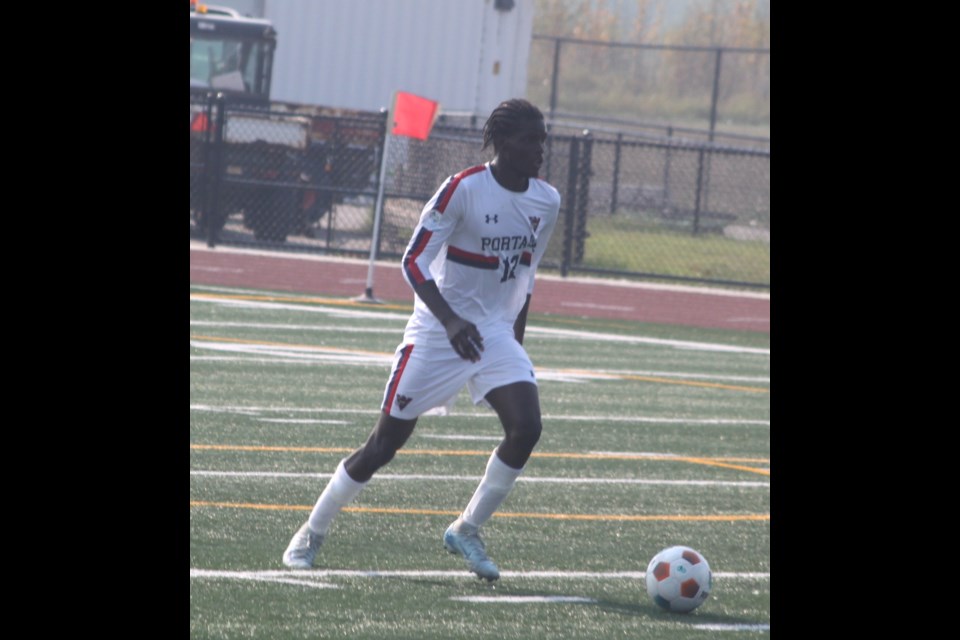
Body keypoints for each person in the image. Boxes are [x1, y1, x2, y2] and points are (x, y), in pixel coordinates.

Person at [282, 98, 560, 581]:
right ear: (502, 142)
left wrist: (515, 340)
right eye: (530, 139)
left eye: (543, 139)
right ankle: (311, 531)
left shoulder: (546, 200)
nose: (540, 149)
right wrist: (451, 322)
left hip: (492, 332)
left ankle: (467, 527)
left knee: (527, 428)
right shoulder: (462, 190)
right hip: (437, 332)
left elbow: (525, 274)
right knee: (383, 445)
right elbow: (412, 261)